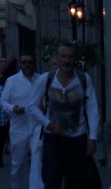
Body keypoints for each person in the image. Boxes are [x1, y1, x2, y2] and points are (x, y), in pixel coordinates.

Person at [27, 42, 99, 189]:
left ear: (75, 59)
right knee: (51, 180)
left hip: (77, 139)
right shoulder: (46, 79)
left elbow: (92, 109)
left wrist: (93, 137)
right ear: (58, 58)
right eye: (63, 57)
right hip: (53, 139)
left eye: (70, 57)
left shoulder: (84, 80)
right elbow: (31, 106)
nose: (67, 61)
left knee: (76, 182)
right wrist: (49, 124)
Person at [0, 53, 44, 189]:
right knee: (18, 165)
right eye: (24, 62)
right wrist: (13, 108)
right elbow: (2, 101)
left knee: (38, 162)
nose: (27, 65)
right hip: (19, 129)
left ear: (34, 63)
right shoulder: (12, 81)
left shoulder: (41, 79)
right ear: (20, 64)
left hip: (37, 127)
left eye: (30, 62)